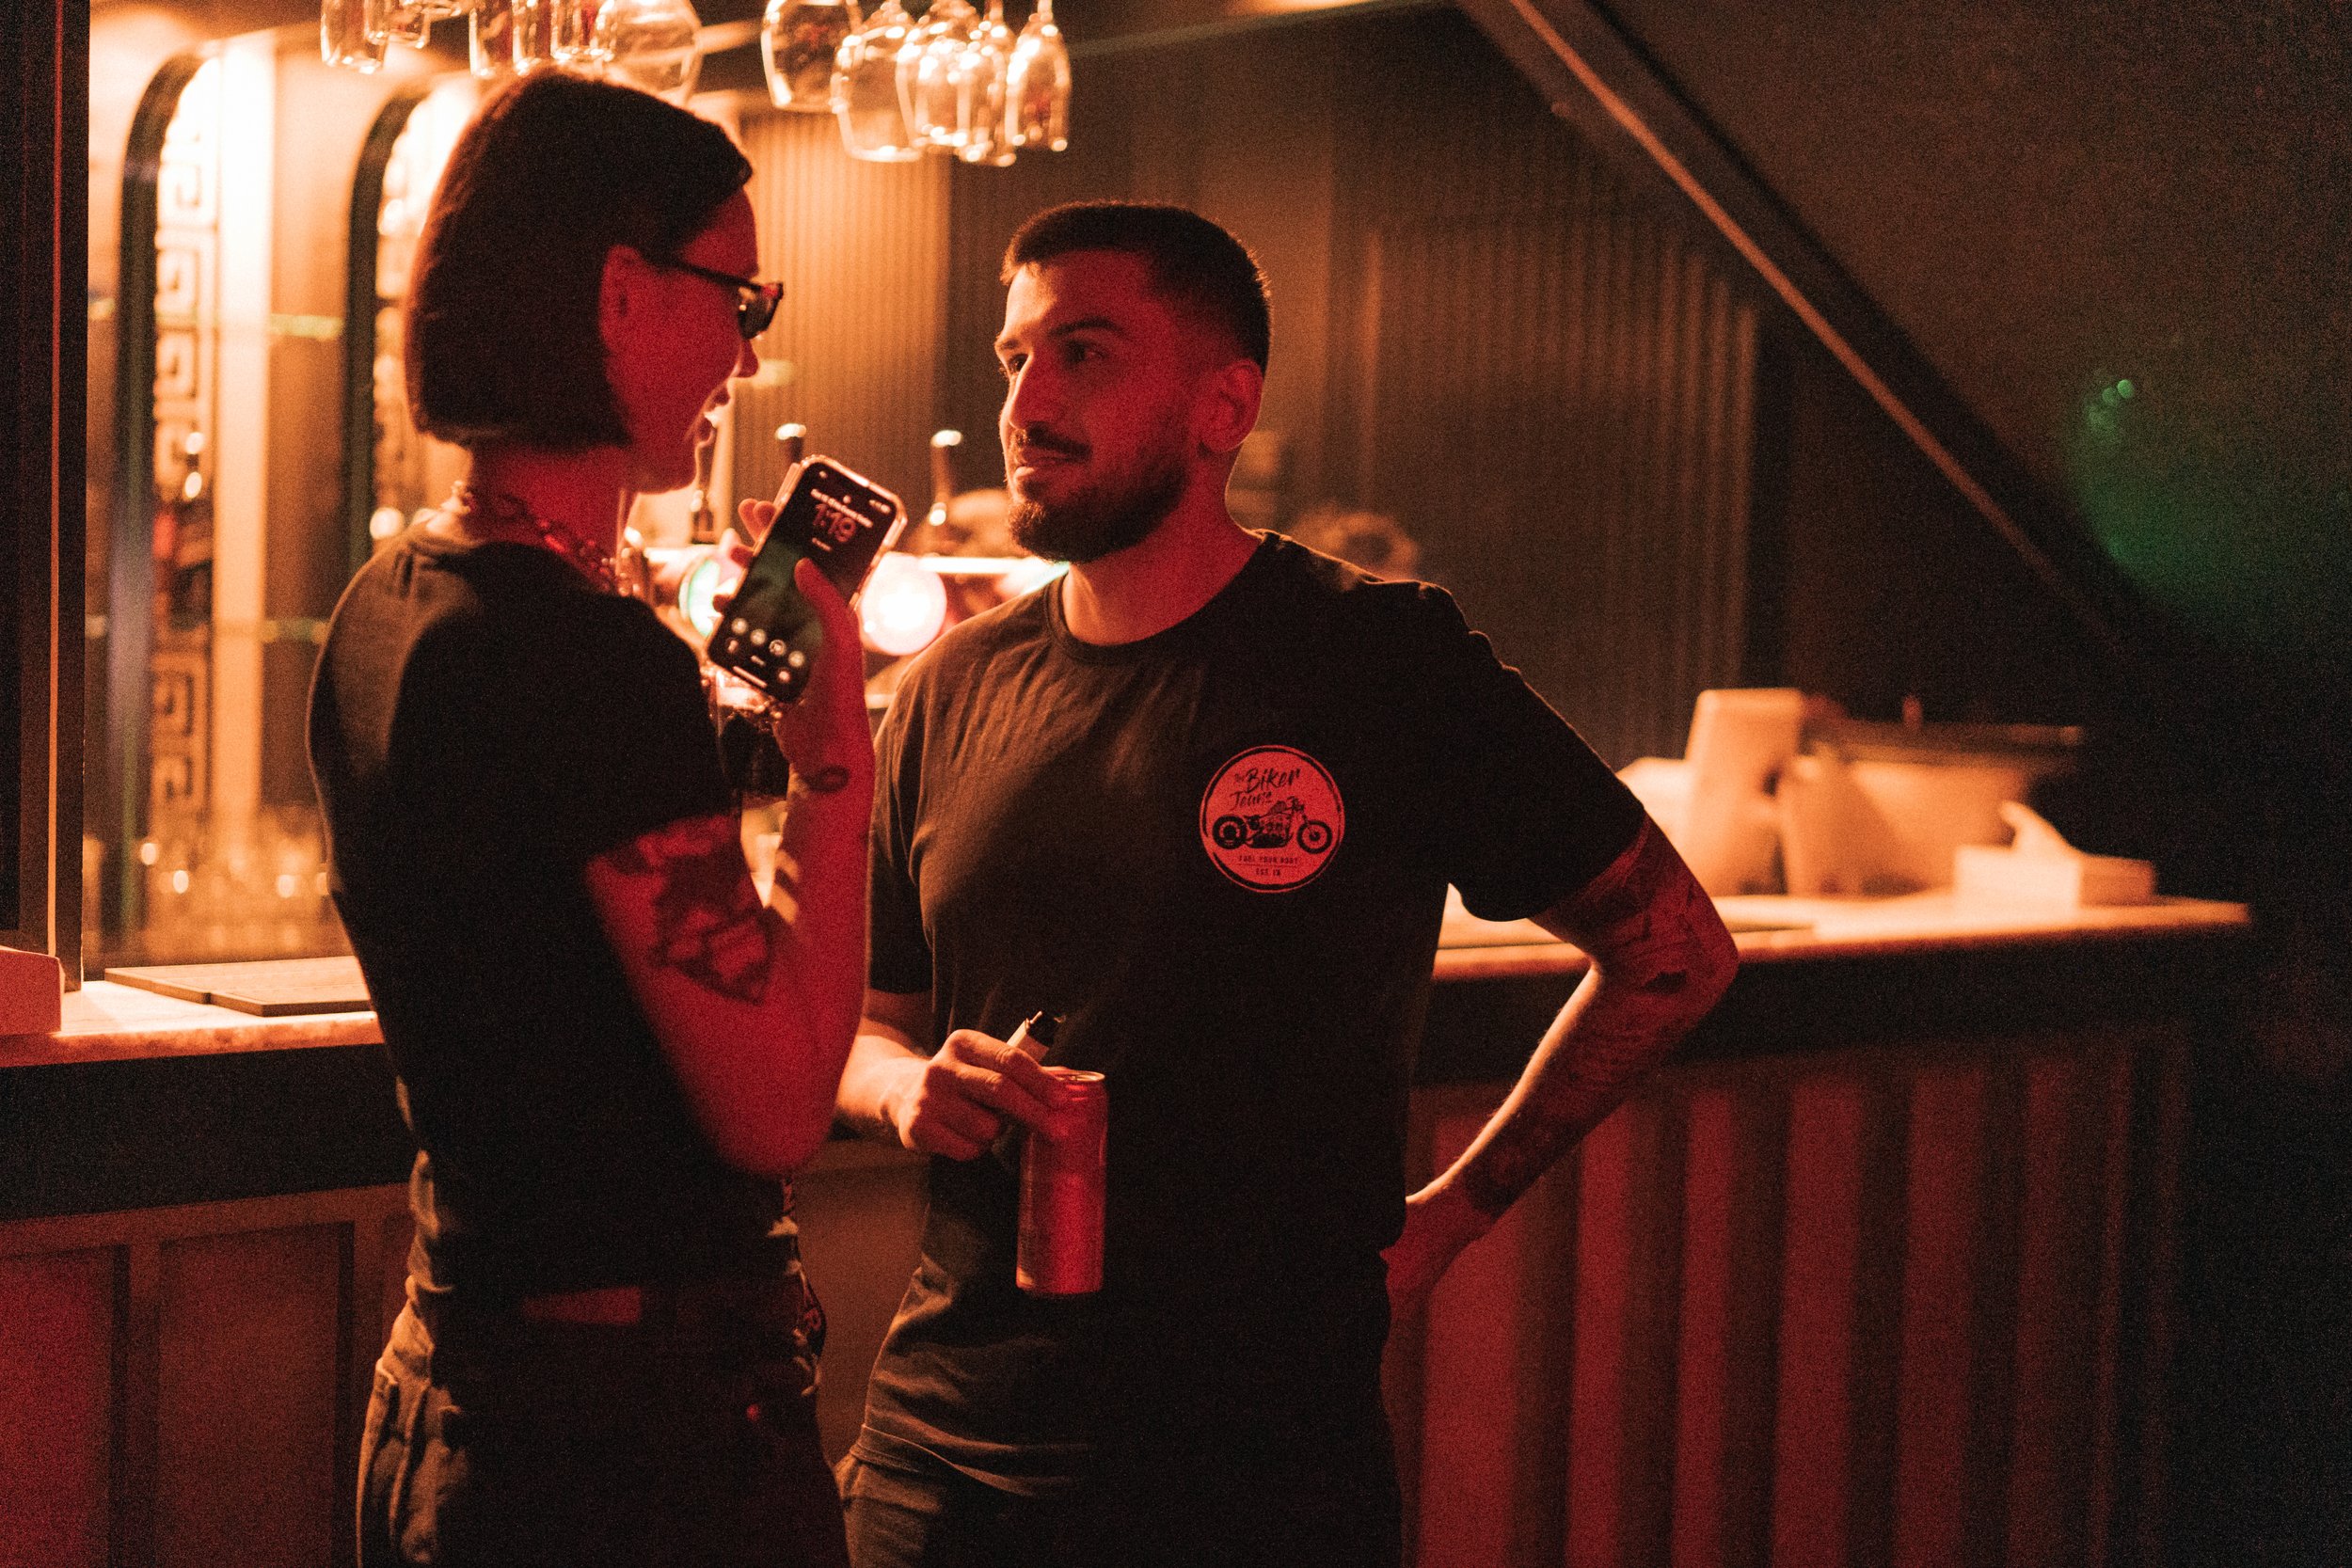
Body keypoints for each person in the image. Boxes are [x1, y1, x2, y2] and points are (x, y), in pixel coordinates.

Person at [831, 200, 1740, 1566]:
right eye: (1016, 358)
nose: (1027, 400)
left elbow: (1672, 949)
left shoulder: (1377, 663)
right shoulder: (951, 687)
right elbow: (866, 1024)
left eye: (1084, 353)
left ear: (1224, 407)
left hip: (1252, 1482)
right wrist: (905, 1090)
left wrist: (1457, 1214)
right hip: (940, 1467)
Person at [308, 72, 871, 1568]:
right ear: (622, 295)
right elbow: (772, 1112)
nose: (747, 355)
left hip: (458, 1390)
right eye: (737, 299)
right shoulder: (580, 655)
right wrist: (832, 770)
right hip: (629, 1447)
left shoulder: (390, 606)